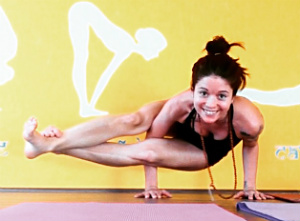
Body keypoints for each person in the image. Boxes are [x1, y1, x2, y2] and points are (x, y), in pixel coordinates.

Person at [23, 36, 272, 200]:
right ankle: (50, 143)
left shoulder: (249, 121)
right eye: (203, 93)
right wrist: (151, 185)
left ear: (233, 96)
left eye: (221, 96)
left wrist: (250, 186)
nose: (210, 103)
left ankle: (50, 146)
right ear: (192, 89)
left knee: (148, 153)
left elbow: (251, 146)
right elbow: (152, 136)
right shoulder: (179, 104)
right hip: (178, 123)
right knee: (134, 121)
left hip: (203, 152)